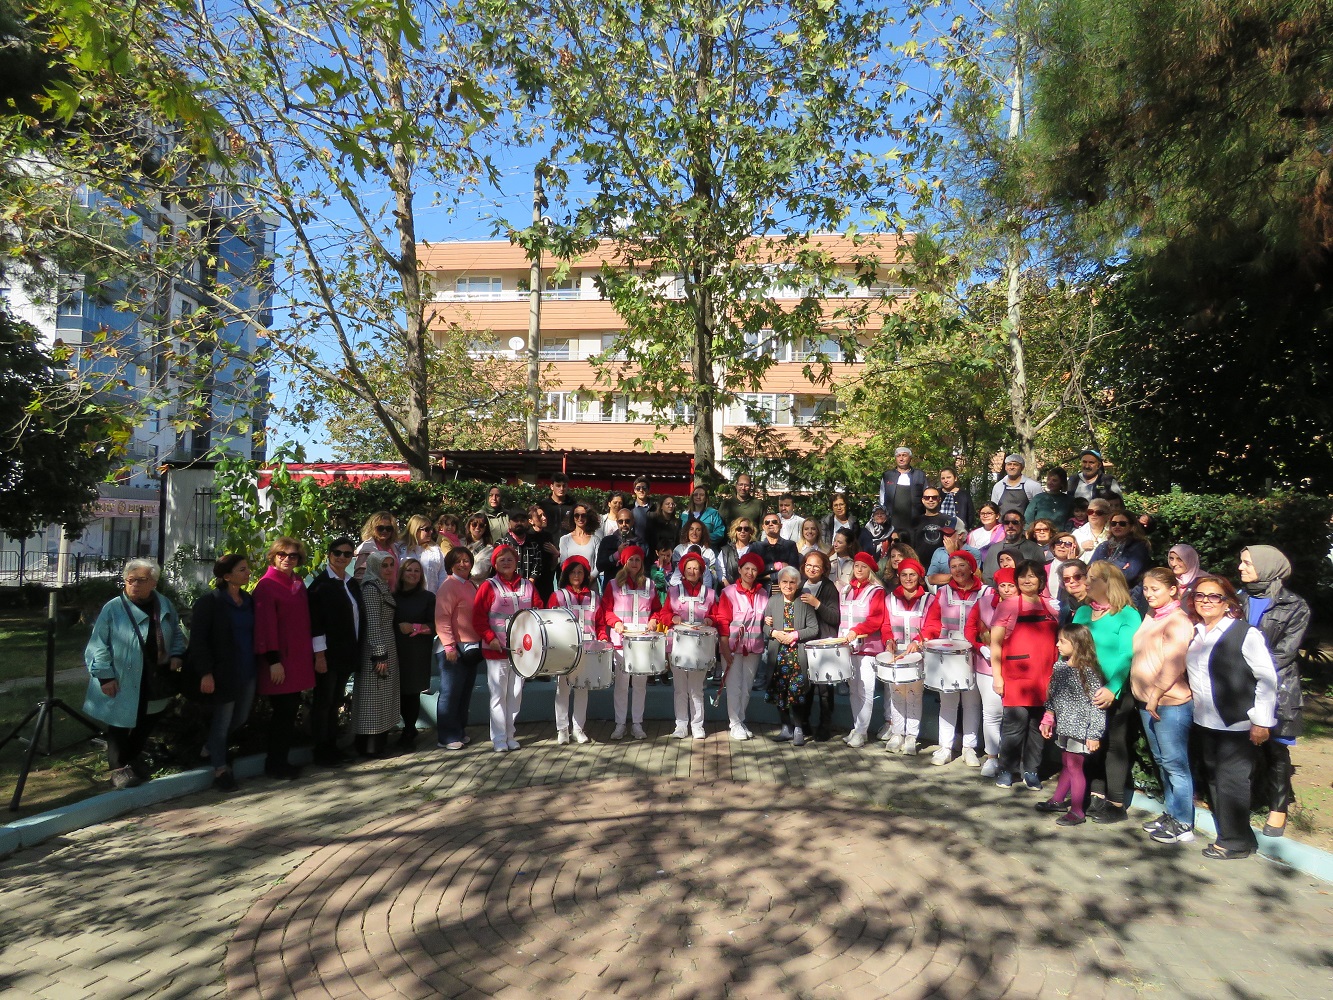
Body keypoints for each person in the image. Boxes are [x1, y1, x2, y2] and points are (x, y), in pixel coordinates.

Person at [1185, 575, 1278, 860]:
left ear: (1227, 602)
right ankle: (1234, 834)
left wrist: (1262, 720)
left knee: (1232, 783)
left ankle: (1235, 843)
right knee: (1215, 780)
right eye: (1200, 595)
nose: (1206, 601)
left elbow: (1267, 679)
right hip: (1205, 721)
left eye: (1214, 596)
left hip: (1236, 723)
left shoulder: (1245, 633)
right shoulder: (1196, 633)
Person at [84, 558, 187, 789]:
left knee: (148, 720)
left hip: (155, 674)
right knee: (120, 723)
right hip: (123, 676)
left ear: (153, 582)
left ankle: (132, 759)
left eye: (141, 580)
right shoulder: (113, 608)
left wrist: (177, 654)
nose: (134, 585)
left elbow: (176, 632)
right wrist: (105, 676)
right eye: (130, 580)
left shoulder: (164, 604)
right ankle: (118, 769)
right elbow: (98, 644)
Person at [1237, 545, 1311, 839]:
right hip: (1239, 683)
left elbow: (1285, 652)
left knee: (1275, 747)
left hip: (1276, 686)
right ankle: (1248, 798)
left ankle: (1278, 808)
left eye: (1247, 563)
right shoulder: (1237, 599)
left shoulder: (1294, 606)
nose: (1240, 568)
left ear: (1267, 566)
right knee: (1241, 744)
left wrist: (1251, 670)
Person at [1073, 561, 1143, 823]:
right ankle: (1096, 795)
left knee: (1115, 745)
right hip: (1085, 688)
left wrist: (1112, 687)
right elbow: (1070, 647)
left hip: (1114, 689)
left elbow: (1127, 654)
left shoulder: (1128, 615)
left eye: (1092, 578)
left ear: (1108, 583)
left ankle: (1116, 803)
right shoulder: (1083, 612)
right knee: (1091, 743)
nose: (1085, 583)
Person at [1131, 567, 1196, 844]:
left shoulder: (1178, 621)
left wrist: (1156, 694)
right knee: (1161, 762)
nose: (1149, 594)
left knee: (1175, 764)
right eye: (1146, 589)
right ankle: (1171, 813)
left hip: (1169, 704)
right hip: (1148, 703)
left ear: (1172, 590)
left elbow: (1174, 664)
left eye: (1155, 589)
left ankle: (1183, 823)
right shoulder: (1152, 615)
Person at [187, 554, 258, 792]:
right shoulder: (209, 602)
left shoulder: (248, 600)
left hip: (247, 670)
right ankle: (220, 769)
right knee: (222, 722)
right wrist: (206, 673)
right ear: (227, 576)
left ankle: (210, 746)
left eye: (247, 569)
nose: (248, 573)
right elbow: (198, 641)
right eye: (242, 569)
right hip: (223, 673)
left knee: (241, 718)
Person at [252, 537, 320, 779]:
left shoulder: (297, 582)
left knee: (289, 712)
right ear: (273, 556)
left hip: (297, 660)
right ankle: (275, 764)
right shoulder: (266, 585)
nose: (287, 559)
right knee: (282, 714)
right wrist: (273, 661)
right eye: (282, 554)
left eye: (293, 555)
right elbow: (264, 627)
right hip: (279, 661)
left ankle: (281, 761)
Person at [989, 559, 1059, 790]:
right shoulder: (1008, 605)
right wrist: (997, 677)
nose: (1027, 580)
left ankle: (1031, 770)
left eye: (1032, 575)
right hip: (1016, 676)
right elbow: (996, 643)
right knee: (1014, 726)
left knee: (1038, 727)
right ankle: (1006, 770)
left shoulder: (1051, 606)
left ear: (1041, 580)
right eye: (1022, 576)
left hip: (1045, 677)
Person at [1035, 625, 1107, 827]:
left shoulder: (1090, 672)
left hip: (1081, 729)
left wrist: (1093, 734)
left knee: (1075, 766)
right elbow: (1053, 694)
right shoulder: (1060, 667)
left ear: (1077, 644)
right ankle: (1058, 800)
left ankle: (1077, 810)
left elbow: (1097, 706)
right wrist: (1048, 717)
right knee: (1066, 762)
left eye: (1062, 641)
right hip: (1064, 726)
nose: (1057, 645)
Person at [919, 550, 986, 767]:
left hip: (974, 655)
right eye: (953, 566)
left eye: (962, 565)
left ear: (971, 567)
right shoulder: (943, 592)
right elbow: (933, 621)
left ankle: (969, 748)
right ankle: (945, 747)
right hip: (947, 656)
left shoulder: (986, 592)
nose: (957, 570)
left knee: (971, 703)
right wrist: (927, 637)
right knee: (948, 702)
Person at [473, 545, 540, 752]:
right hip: (497, 649)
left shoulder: (528, 586)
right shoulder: (488, 586)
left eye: (510, 559)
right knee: (498, 695)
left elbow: (538, 612)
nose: (506, 562)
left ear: (516, 561)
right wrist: (490, 638)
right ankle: (499, 738)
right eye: (501, 559)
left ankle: (510, 734)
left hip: (522, 651)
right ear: (494, 564)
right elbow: (478, 617)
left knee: (515, 693)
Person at [307, 537, 363, 766]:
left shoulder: (350, 583)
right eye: (337, 553)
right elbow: (316, 623)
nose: (342, 557)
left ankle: (332, 747)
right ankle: (321, 751)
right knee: (324, 703)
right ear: (329, 554)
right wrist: (319, 656)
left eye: (347, 554)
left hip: (346, 653)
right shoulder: (320, 585)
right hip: (327, 655)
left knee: (335, 701)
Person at [597, 545, 662, 740]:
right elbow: (606, 610)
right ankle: (620, 724)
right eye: (631, 559)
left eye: (637, 560)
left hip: (642, 641)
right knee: (622, 685)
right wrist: (615, 622)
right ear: (624, 562)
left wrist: (654, 620)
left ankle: (637, 724)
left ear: (642, 563)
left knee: (640, 685)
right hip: (621, 642)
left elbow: (657, 609)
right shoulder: (613, 584)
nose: (634, 563)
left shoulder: (650, 585)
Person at [655, 551, 716, 740]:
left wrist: (710, 619)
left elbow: (716, 615)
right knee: (680, 688)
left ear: (701, 571)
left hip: (700, 647)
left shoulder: (710, 593)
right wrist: (672, 617)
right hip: (677, 646)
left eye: (696, 568)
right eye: (689, 568)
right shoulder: (673, 591)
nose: (692, 571)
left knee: (696, 689)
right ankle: (681, 725)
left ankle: (697, 725)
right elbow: (663, 614)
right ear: (683, 570)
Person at [965, 566, 1017, 777]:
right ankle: (992, 757)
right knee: (991, 713)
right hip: (986, 667)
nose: (1007, 590)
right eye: (1003, 585)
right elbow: (969, 629)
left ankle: (1012, 759)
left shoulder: (1024, 605)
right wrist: (980, 647)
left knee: (1014, 717)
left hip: (1015, 666)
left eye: (1011, 585)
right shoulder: (984, 602)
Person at [711, 552, 768, 741]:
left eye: (754, 569)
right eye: (747, 568)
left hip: (754, 646)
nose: (750, 573)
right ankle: (734, 723)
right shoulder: (728, 592)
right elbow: (723, 621)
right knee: (734, 686)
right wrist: (725, 648)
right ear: (740, 570)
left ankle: (740, 720)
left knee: (747, 686)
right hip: (732, 646)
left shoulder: (763, 594)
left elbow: (765, 618)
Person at [879, 558, 932, 757]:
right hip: (896, 655)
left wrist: (918, 641)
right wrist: (888, 640)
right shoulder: (890, 599)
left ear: (919, 577)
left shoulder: (929, 599)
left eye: (912, 575)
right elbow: (885, 625)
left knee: (914, 695)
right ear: (898, 576)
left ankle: (911, 736)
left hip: (917, 654)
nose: (908, 578)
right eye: (904, 575)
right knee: (896, 693)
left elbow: (932, 626)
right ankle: (897, 733)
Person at [763, 566, 820, 747]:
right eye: (784, 582)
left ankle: (798, 729)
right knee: (779, 691)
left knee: (797, 693)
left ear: (798, 584)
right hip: (778, 654)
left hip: (796, 654)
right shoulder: (773, 601)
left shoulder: (803, 601)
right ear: (779, 583)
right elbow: (765, 626)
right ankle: (786, 727)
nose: (788, 586)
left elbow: (814, 628)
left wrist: (795, 635)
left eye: (792, 582)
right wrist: (773, 632)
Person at [354, 549, 402, 758]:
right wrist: (380, 654)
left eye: (391, 565)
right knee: (373, 695)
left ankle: (378, 742)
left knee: (382, 695)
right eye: (384, 565)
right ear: (374, 566)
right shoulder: (371, 589)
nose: (389, 569)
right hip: (377, 648)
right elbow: (373, 625)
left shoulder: (381, 585)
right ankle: (369, 746)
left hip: (387, 644)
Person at [839, 551, 888, 748]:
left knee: (866, 690)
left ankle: (861, 730)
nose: (859, 569)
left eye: (864, 567)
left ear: (870, 570)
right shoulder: (846, 590)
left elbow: (876, 619)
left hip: (868, 647)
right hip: (848, 646)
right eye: (856, 566)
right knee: (854, 690)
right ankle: (857, 727)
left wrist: (856, 631)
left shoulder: (876, 591)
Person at [434, 547, 481, 751]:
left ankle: (459, 731)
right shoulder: (448, 585)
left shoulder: (470, 584)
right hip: (453, 649)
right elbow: (442, 618)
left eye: (466, 560)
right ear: (450, 564)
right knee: (450, 693)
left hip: (471, 648)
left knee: (464, 693)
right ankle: (446, 736)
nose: (462, 564)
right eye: (458, 561)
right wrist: (449, 646)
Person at [549, 555, 598, 745]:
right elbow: (550, 623)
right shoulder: (558, 596)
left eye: (580, 572)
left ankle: (578, 729)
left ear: (585, 575)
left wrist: (602, 637)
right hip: (564, 650)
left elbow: (600, 622)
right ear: (566, 575)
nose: (576, 575)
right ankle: (562, 729)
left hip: (588, 648)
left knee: (582, 688)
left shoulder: (594, 596)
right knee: (563, 689)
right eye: (573, 572)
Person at [393, 556, 436, 750]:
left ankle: (409, 730)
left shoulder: (428, 597)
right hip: (395, 650)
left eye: (417, 571)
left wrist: (414, 627)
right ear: (402, 574)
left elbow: (434, 626)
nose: (413, 574)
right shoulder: (392, 597)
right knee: (399, 692)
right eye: (409, 570)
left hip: (416, 651)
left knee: (411, 692)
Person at [799, 550, 841, 741]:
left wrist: (817, 604)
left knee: (824, 689)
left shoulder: (829, 588)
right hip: (804, 643)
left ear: (824, 569)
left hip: (824, 644)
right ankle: (804, 723)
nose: (812, 569)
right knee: (805, 686)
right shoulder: (800, 585)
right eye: (808, 565)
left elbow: (834, 617)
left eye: (817, 566)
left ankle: (825, 725)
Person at [980, 511, 1046, 584]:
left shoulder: (1035, 549)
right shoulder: (994, 549)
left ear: (1023, 525)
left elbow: (1040, 578)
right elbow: (987, 578)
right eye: (1006, 522)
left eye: (1015, 522)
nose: (1010, 526)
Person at [1089, 511, 1151, 588]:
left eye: (1122, 524)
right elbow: (1090, 569)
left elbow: (1128, 575)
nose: (1117, 526)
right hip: (1101, 589)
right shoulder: (1103, 546)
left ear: (1132, 527)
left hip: (1127, 591)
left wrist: (1101, 572)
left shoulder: (1138, 546)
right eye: (1113, 524)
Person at [910, 487, 963, 570]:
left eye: (934, 497)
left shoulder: (949, 520)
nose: (930, 500)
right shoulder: (915, 521)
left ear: (939, 499)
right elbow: (910, 546)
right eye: (927, 497)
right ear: (923, 500)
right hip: (920, 565)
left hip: (943, 565)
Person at [879, 446, 927, 534]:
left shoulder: (919, 475)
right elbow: (882, 498)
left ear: (910, 458)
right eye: (898, 456)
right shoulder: (888, 475)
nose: (901, 458)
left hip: (915, 522)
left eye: (904, 455)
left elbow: (927, 496)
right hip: (892, 522)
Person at [501, 507, 546, 596]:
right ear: (509, 522)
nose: (519, 523)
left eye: (522, 520)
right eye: (515, 520)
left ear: (527, 522)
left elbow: (537, 567)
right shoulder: (502, 544)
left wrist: (529, 584)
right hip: (505, 590)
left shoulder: (534, 545)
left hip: (529, 590)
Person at [753, 511, 801, 591]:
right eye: (767, 522)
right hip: (761, 590)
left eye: (774, 522)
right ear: (763, 527)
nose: (770, 524)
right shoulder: (756, 547)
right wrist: (775, 566)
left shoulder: (790, 546)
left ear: (781, 525)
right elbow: (753, 571)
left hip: (785, 590)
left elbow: (794, 572)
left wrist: (765, 575)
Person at [559, 502, 602, 590]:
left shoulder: (595, 540)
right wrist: (575, 581)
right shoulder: (565, 539)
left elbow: (598, 564)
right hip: (570, 586)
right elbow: (563, 563)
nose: (580, 518)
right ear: (572, 517)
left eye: (583, 515)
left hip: (590, 586)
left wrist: (589, 580)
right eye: (576, 515)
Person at [990, 454, 1042, 519]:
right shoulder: (998, 486)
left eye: (1015, 465)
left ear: (1022, 468)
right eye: (1009, 464)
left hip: (1025, 525)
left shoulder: (1033, 486)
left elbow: (1041, 510)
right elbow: (993, 510)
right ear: (1005, 467)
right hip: (1003, 524)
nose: (1012, 467)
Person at [526, 504, 560, 602]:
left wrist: (555, 554)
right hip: (531, 581)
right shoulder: (527, 537)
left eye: (544, 515)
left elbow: (552, 566)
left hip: (547, 582)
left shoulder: (548, 536)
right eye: (539, 516)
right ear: (530, 521)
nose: (544, 518)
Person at [402, 515, 445, 593]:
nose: (431, 532)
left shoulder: (435, 550)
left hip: (431, 596)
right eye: (427, 529)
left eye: (431, 529)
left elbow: (443, 574)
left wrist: (440, 595)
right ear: (415, 530)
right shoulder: (400, 549)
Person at [353, 511, 400, 581]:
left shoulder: (394, 548)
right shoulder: (366, 549)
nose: (384, 531)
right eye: (380, 528)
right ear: (372, 529)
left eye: (388, 528)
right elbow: (359, 576)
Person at [714, 517, 755, 590]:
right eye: (739, 529)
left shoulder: (756, 549)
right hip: (729, 590)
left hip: (751, 590)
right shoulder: (725, 550)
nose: (742, 531)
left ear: (750, 532)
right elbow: (720, 572)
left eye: (746, 529)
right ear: (735, 531)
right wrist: (731, 590)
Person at [538, 473, 575, 541]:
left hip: (568, 543)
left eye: (564, 486)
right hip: (547, 543)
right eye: (558, 486)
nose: (561, 489)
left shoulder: (573, 505)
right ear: (552, 486)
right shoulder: (543, 505)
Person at [1057, 558, 1090, 628]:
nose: (1071, 581)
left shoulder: (1097, 604)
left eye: (1077, 576)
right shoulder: (1062, 607)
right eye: (1067, 579)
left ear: (1087, 577)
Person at [464, 514, 495, 585]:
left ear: (485, 528)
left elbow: (478, 572)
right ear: (469, 525)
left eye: (481, 525)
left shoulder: (489, 549)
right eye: (474, 524)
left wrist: (460, 571)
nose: (477, 527)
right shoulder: (460, 543)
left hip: (475, 587)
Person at [629, 477, 655, 547]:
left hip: (651, 547)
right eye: (638, 488)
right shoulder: (629, 509)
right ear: (634, 490)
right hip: (633, 547)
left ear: (648, 490)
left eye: (644, 488)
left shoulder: (655, 509)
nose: (641, 490)